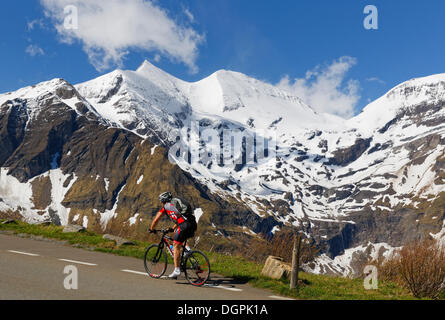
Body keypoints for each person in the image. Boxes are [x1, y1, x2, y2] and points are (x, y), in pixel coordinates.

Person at [149, 192, 197, 278]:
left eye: (161, 202)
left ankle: (177, 270)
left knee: (175, 245)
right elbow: (180, 218)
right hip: (192, 224)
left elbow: (156, 220)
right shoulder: (175, 205)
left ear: (163, 201)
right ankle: (189, 253)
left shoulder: (165, 207)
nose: (161, 203)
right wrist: (172, 228)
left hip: (184, 225)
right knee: (180, 239)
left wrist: (151, 229)